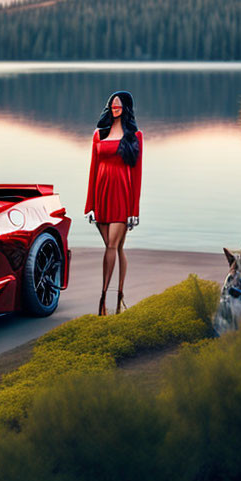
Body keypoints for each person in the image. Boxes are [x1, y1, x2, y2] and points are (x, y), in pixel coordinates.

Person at [84, 91, 143, 316]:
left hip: (122, 196)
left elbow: (137, 174)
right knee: (116, 247)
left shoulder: (135, 136)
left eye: (118, 106)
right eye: (112, 106)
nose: (114, 109)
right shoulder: (99, 135)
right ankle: (119, 297)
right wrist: (90, 206)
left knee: (110, 246)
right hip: (101, 195)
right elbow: (93, 170)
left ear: (126, 108)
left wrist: (133, 211)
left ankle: (103, 301)